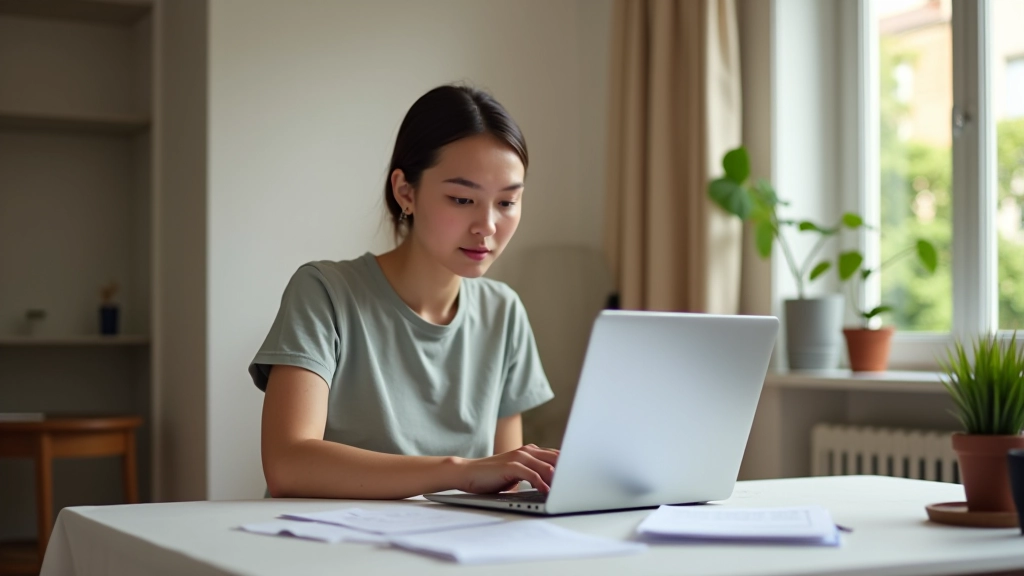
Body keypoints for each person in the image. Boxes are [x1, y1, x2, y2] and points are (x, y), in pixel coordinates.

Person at [249, 85, 558, 499]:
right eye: (463, 198)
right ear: (405, 191)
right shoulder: (324, 292)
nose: (487, 225)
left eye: (506, 203)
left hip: (450, 555)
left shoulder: (504, 312)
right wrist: (457, 471)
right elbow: (287, 464)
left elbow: (504, 485)